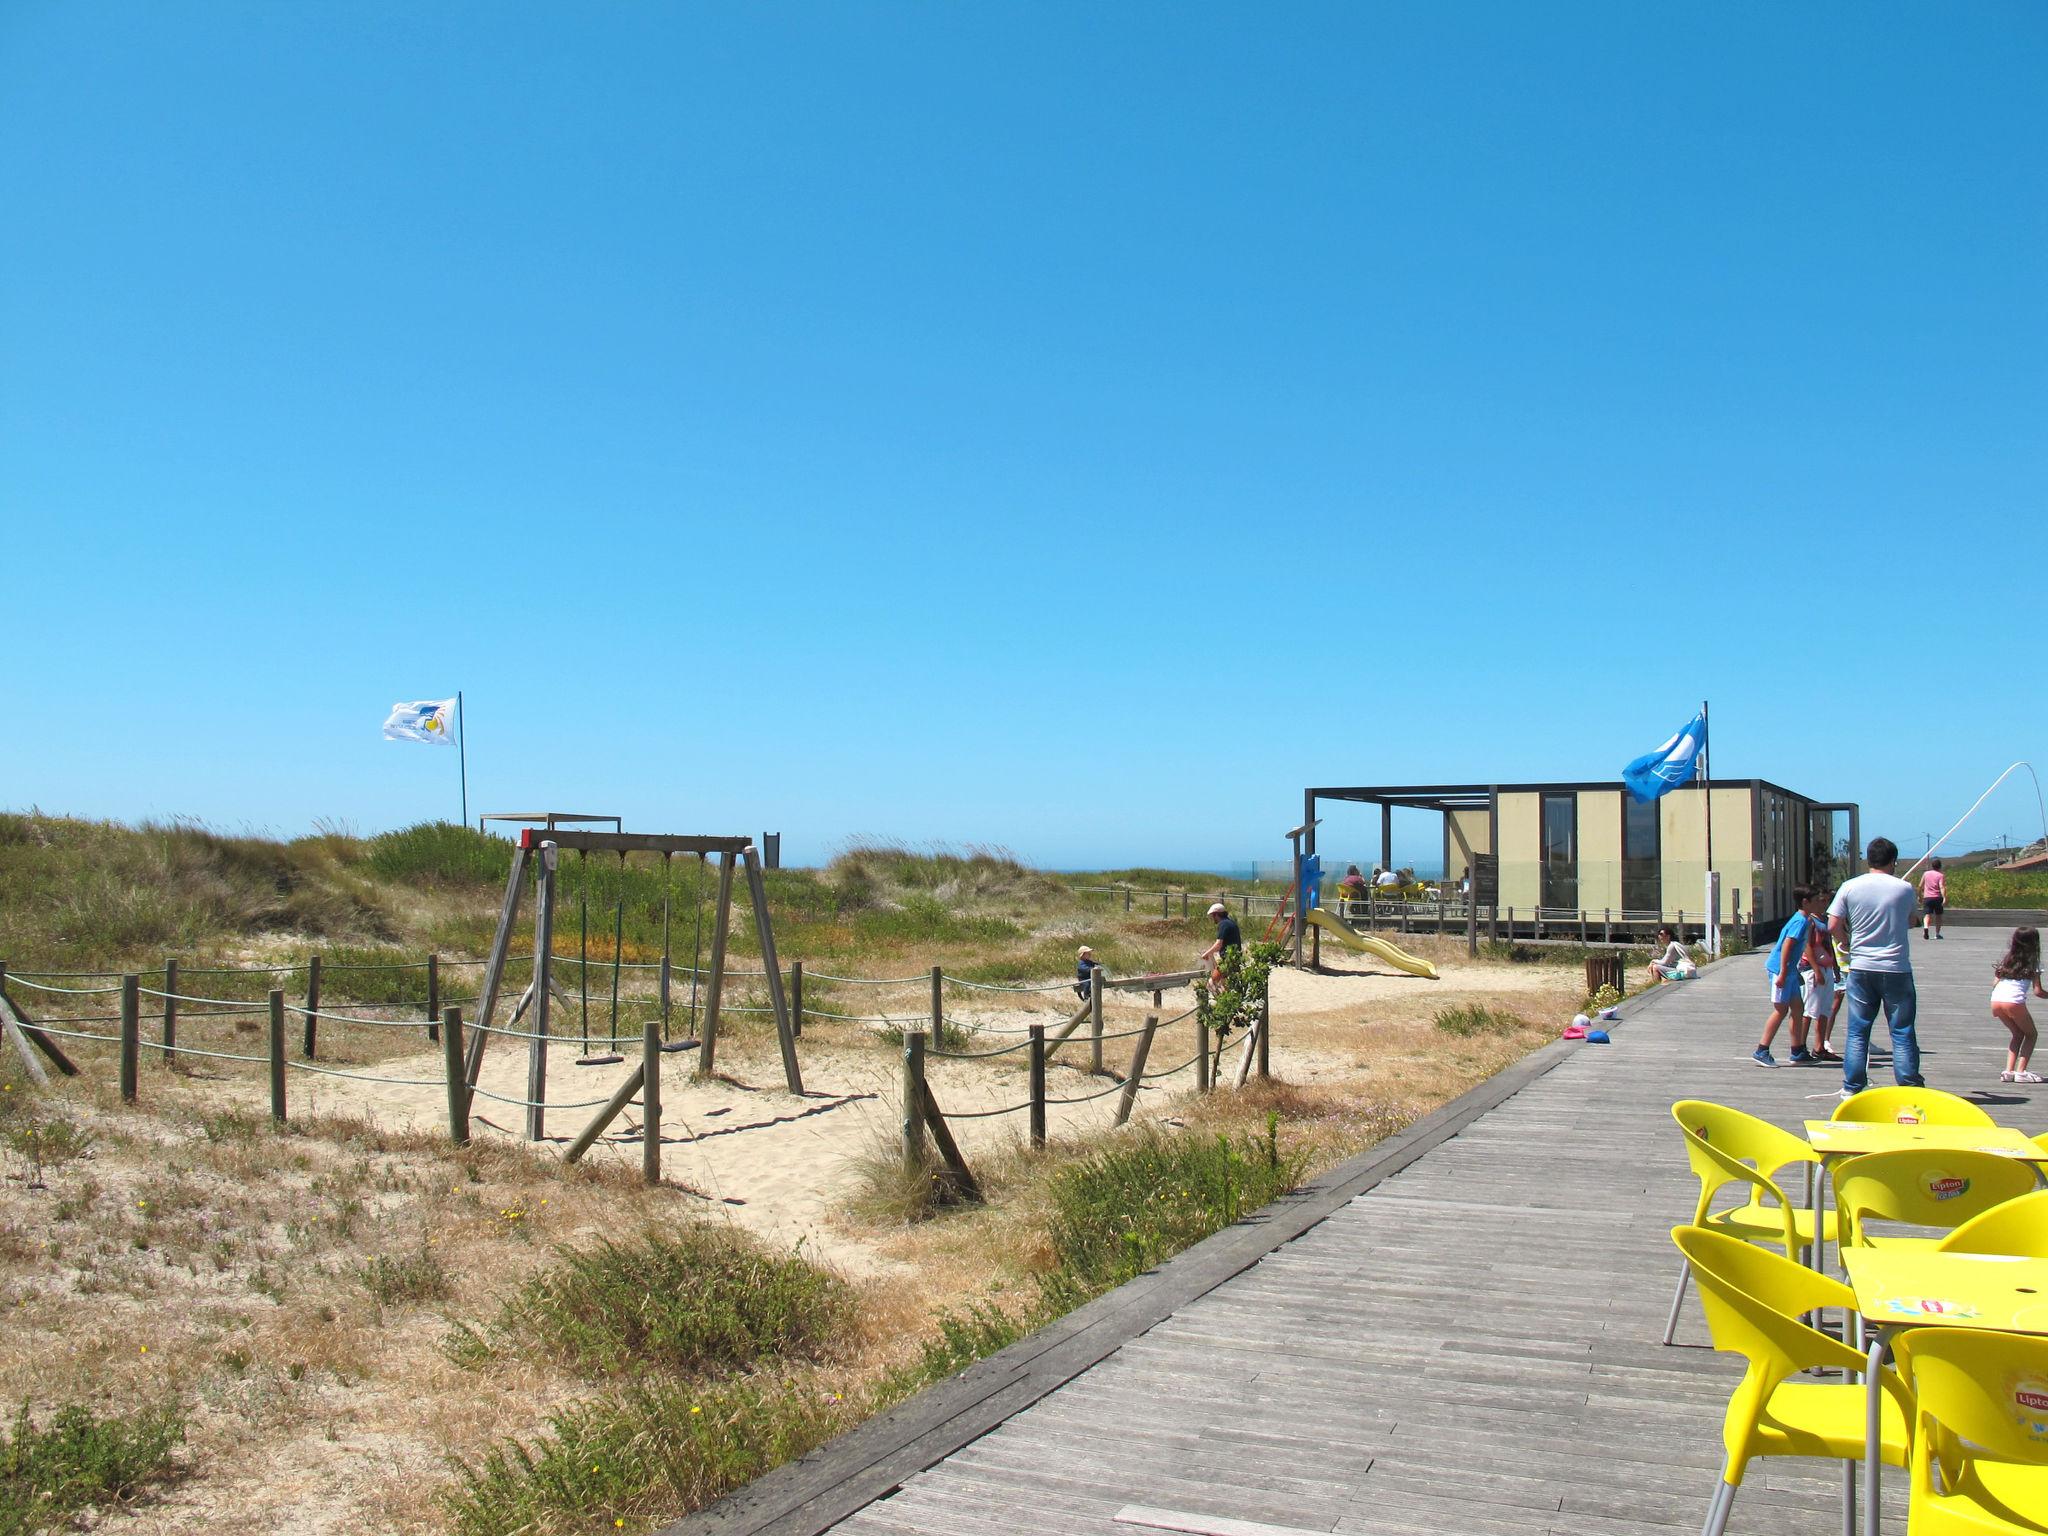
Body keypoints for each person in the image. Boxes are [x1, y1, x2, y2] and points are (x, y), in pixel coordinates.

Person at [1828, 836, 1924, 1096]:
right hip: (1896, 968)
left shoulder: (1849, 887)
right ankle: (1908, 1085)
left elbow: (1833, 925)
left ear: (1868, 859)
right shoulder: (1904, 889)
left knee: (1858, 1030)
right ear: (1893, 861)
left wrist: (1845, 943)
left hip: (1861, 967)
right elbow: (1913, 921)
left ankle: (1852, 1086)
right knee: (1902, 1030)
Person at [1753, 886, 1817, 1067]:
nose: (1819, 904)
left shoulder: (1805, 920)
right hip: (1780, 970)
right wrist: (1782, 973)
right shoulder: (1800, 922)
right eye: (1815, 900)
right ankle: (1761, 1050)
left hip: (1790, 972)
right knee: (1780, 1009)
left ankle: (1797, 1050)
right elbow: (1787, 946)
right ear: (1805, 902)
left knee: (1797, 1007)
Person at [1991, 925, 2044, 1084]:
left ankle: (2008, 1071)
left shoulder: (2006, 960)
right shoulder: (2033, 963)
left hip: (1996, 1001)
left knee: (2017, 1034)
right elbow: (2038, 992)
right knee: (2031, 1034)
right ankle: (2021, 1072)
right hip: (2014, 1002)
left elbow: (1994, 982)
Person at [1802, 907, 1844, 1062]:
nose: (1824, 904)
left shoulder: (1825, 920)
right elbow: (1807, 945)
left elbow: (1829, 944)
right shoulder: (1810, 921)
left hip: (1827, 967)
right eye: (1820, 901)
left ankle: (1819, 1048)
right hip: (1812, 969)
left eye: (1826, 901)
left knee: (1825, 1009)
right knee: (1809, 1009)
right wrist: (1815, 969)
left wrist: (1835, 967)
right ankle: (1800, 1047)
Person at [1200, 900, 1242, 984]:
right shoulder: (1231, 923)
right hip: (1235, 958)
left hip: (1228, 960)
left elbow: (1218, 944)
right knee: (1224, 984)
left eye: (1212, 916)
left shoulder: (1223, 924)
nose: (1212, 918)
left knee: (1212, 983)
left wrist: (1206, 954)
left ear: (1216, 914)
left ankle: (1221, 997)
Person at [1919, 858, 1947, 941]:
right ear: (1940, 866)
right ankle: (1937, 934)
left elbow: (1920, 885)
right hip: (1937, 897)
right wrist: (1944, 897)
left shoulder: (1926, 874)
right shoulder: (1940, 875)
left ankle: (1926, 928)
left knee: (1927, 914)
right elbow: (1941, 886)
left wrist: (1919, 896)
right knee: (1938, 916)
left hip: (1927, 897)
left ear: (1932, 866)